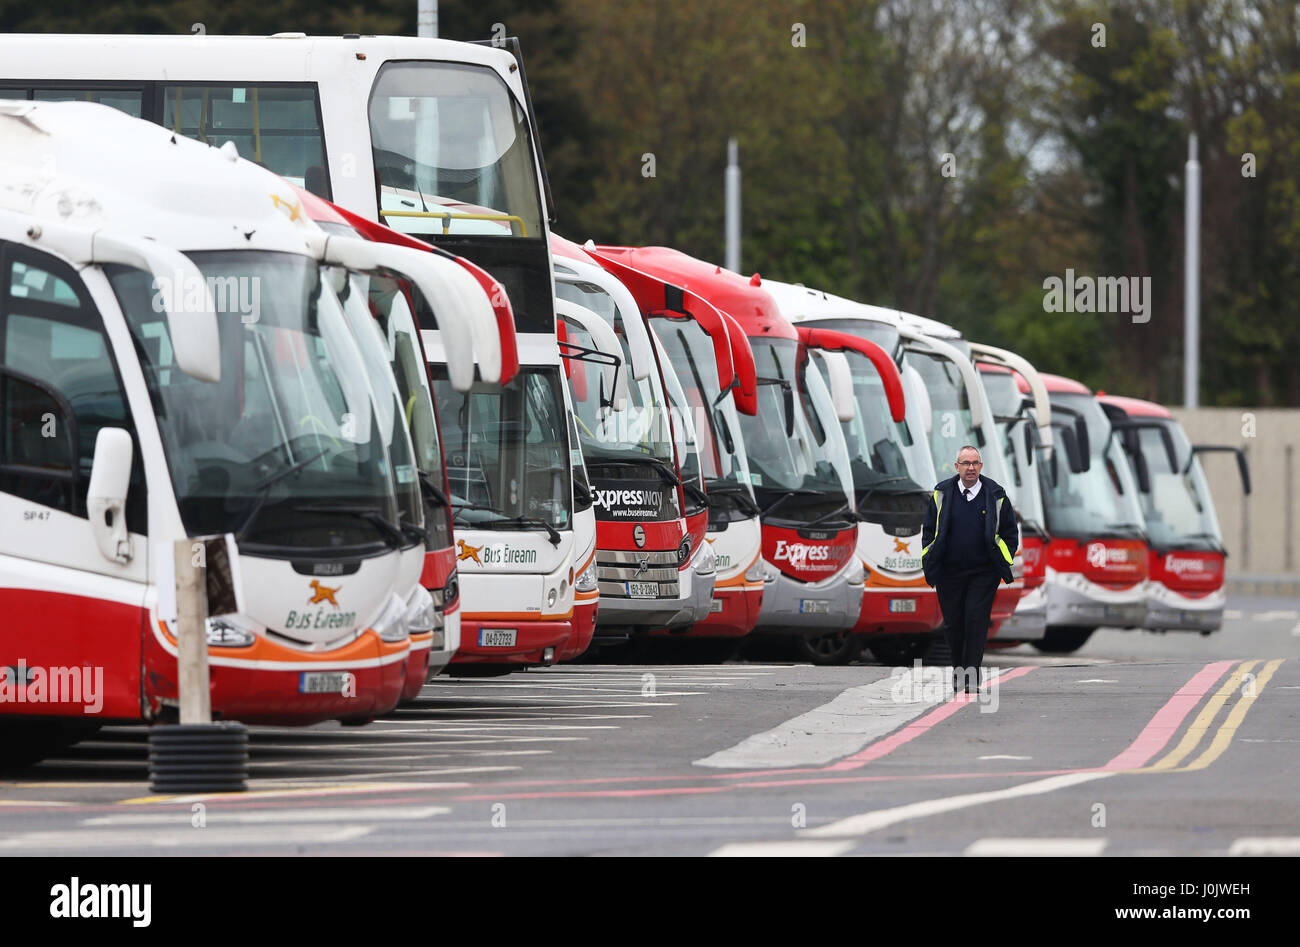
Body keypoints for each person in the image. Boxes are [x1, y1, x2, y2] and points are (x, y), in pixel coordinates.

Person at [920, 446, 1019, 694]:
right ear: (957, 467)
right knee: (954, 624)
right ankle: (958, 673)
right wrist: (930, 559)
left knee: (975, 619)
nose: (970, 468)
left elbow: (1010, 533)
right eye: (965, 463)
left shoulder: (996, 494)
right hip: (949, 573)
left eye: (975, 463)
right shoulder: (942, 493)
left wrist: (1001, 559)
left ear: (981, 466)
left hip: (983, 573)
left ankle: (972, 675)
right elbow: (928, 532)